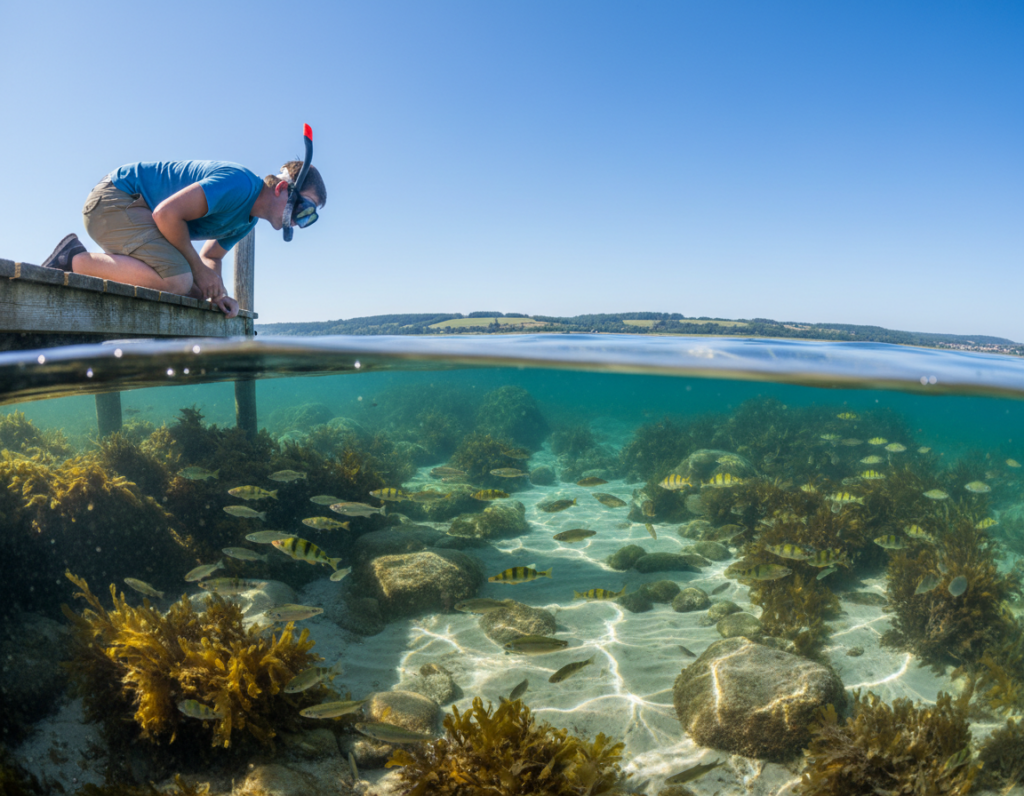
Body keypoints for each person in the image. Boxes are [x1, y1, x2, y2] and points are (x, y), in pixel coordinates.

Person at [41, 156, 326, 319]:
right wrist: (198, 272)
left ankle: (84, 260)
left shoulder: (248, 221)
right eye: (305, 210)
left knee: (191, 288)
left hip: (137, 213)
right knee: (178, 280)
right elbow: (166, 215)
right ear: (282, 190)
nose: (300, 222)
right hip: (115, 200)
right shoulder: (240, 184)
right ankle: (71, 258)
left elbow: (211, 256)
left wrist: (217, 295)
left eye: (308, 219)